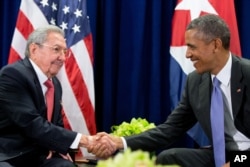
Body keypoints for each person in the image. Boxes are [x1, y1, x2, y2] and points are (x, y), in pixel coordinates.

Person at [89, 14, 250, 167]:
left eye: (192, 47)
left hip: (245, 156)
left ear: (216, 45)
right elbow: (171, 128)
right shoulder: (195, 81)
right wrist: (118, 142)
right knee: (168, 158)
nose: (187, 54)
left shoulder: (247, 74)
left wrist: (235, 164)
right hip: (223, 155)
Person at [0, 25, 115, 167]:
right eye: (56, 50)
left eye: (65, 52)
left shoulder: (54, 83)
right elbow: (32, 124)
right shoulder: (13, 75)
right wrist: (86, 141)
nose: (62, 58)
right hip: (11, 156)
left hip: (40, 156)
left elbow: (57, 125)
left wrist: (60, 148)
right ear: (34, 49)